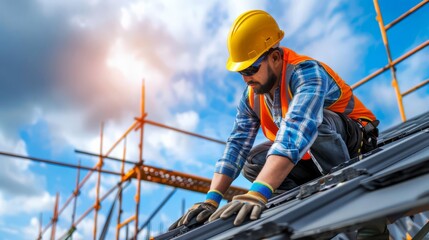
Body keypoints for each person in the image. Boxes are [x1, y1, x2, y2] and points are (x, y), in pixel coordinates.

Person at [169, 9, 381, 236]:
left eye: (251, 68)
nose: (246, 78)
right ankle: (305, 205)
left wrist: (258, 192)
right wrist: (211, 199)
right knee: (253, 161)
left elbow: (299, 127)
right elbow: (236, 145)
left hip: (352, 143)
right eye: (241, 71)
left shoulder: (306, 73)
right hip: (309, 156)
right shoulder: (252, 96)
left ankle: (346, 192)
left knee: (314, 126)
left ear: (275, 57)